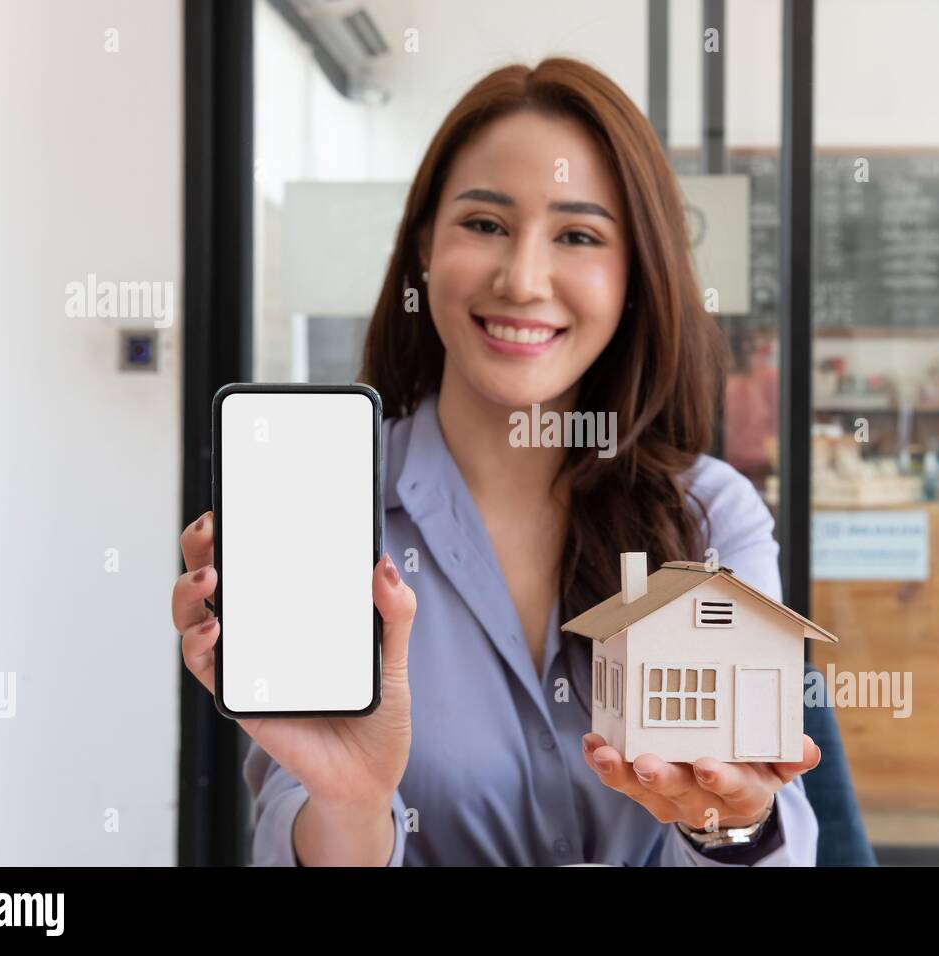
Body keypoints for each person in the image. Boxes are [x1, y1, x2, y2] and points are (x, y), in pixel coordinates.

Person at [172, 57, 829, 866]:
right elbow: (295, 831)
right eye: (485, 224)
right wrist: (352, 798)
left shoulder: (711, 514)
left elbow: (779, 838)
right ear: (422, 246)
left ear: (635, 276)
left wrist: (728, 825)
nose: (521, 279)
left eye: (579, 236)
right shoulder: (328, 509)